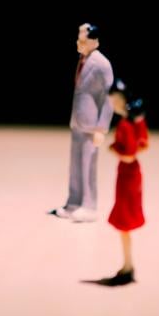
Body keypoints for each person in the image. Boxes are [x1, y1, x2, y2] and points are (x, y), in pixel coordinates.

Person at [49, 23, 113, 221]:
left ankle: (89, 205)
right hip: (78, 122)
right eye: (78, 39)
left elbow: (110, 97)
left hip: (92, 125)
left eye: (82, 40)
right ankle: (74, 201)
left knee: (87, 165)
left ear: (94, 41)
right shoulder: (82, 60)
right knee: (75, 165)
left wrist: (102, 128)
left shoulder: (102, 64)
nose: (78, 43)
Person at [103, 78, 148, 285]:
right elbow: (143, 146)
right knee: (124, 222)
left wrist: (113, 149)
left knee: (125, 222)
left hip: (128, 174)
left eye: (113, 100)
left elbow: (129, 155)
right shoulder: (134, 123)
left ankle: (128, 265)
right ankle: (127, 264)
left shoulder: (125, 126)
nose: (111, 104)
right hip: (130, 173)